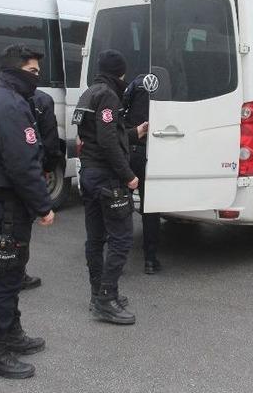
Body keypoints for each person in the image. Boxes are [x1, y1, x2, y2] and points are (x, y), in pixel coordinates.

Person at [0, 44, 55, 379]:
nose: (37, 78)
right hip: (4, 205)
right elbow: (22, 165)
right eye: (32, 72)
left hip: (1, 203)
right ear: (16, 70)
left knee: (11, 274)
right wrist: (43, 206)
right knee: (4, 280)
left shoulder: (3, 100)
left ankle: (12, 334)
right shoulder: (9, 106)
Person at [73, 49, 147, 324]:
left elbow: (100, 135)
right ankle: (106, 297)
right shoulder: (108, 95)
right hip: (106, 177)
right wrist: (128, 175)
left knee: (95, 237)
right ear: (122, 72)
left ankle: (98, 293)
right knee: (122, 237)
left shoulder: (90, 92)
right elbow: (106, 142)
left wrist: (134, 132)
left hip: (90, 174)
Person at [19, 85, 64, 291]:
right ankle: (18, 273)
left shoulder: (1, 99)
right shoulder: (43, 100)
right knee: (21, 224)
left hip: (6, 174)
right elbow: (50, 140)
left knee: (5, 226)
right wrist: (48, 167)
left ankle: (6, 268)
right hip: (32, 167)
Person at [123, 72, 163, 274]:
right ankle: (150, 260)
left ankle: (118, 259)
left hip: (130, 151)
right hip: (152, 154)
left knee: (122, 207)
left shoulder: (134, 82)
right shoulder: (165, 82)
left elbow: (123, 108)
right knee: (151, 208)